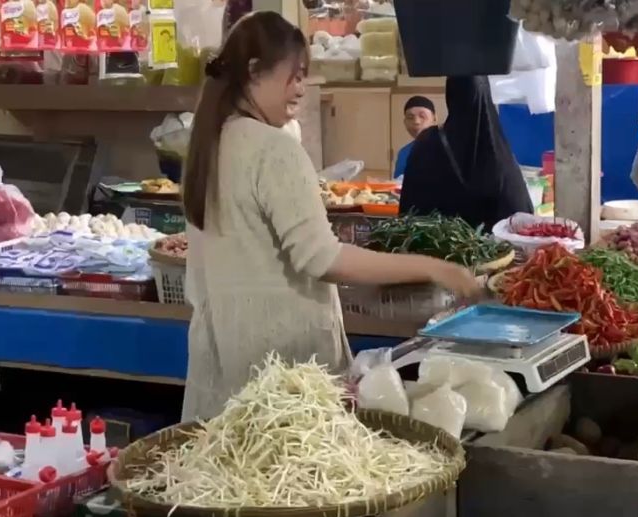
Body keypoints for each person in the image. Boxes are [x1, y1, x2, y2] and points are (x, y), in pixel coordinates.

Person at [179, 12, 480, 422]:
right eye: (295, 75)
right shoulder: (272, 149)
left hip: (224, 379)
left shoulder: (209, 144)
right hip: (281, 384)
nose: (302, 89)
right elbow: (323, 258)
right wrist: (433, 267)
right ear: (254, 72)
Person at [399, 76, 533, 230]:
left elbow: (408, 214)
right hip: (494, 251)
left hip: (431, 247)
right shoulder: (499, 151)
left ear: (450, 96)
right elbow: (521, 216)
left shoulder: (427, 143)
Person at [393, 96, 437, 178]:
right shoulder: (404, 153)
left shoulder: (448, 149)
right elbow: (398, 185)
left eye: (422, 116)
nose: (416, 122)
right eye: (410, 117)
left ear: (434, 119)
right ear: (405, 122)